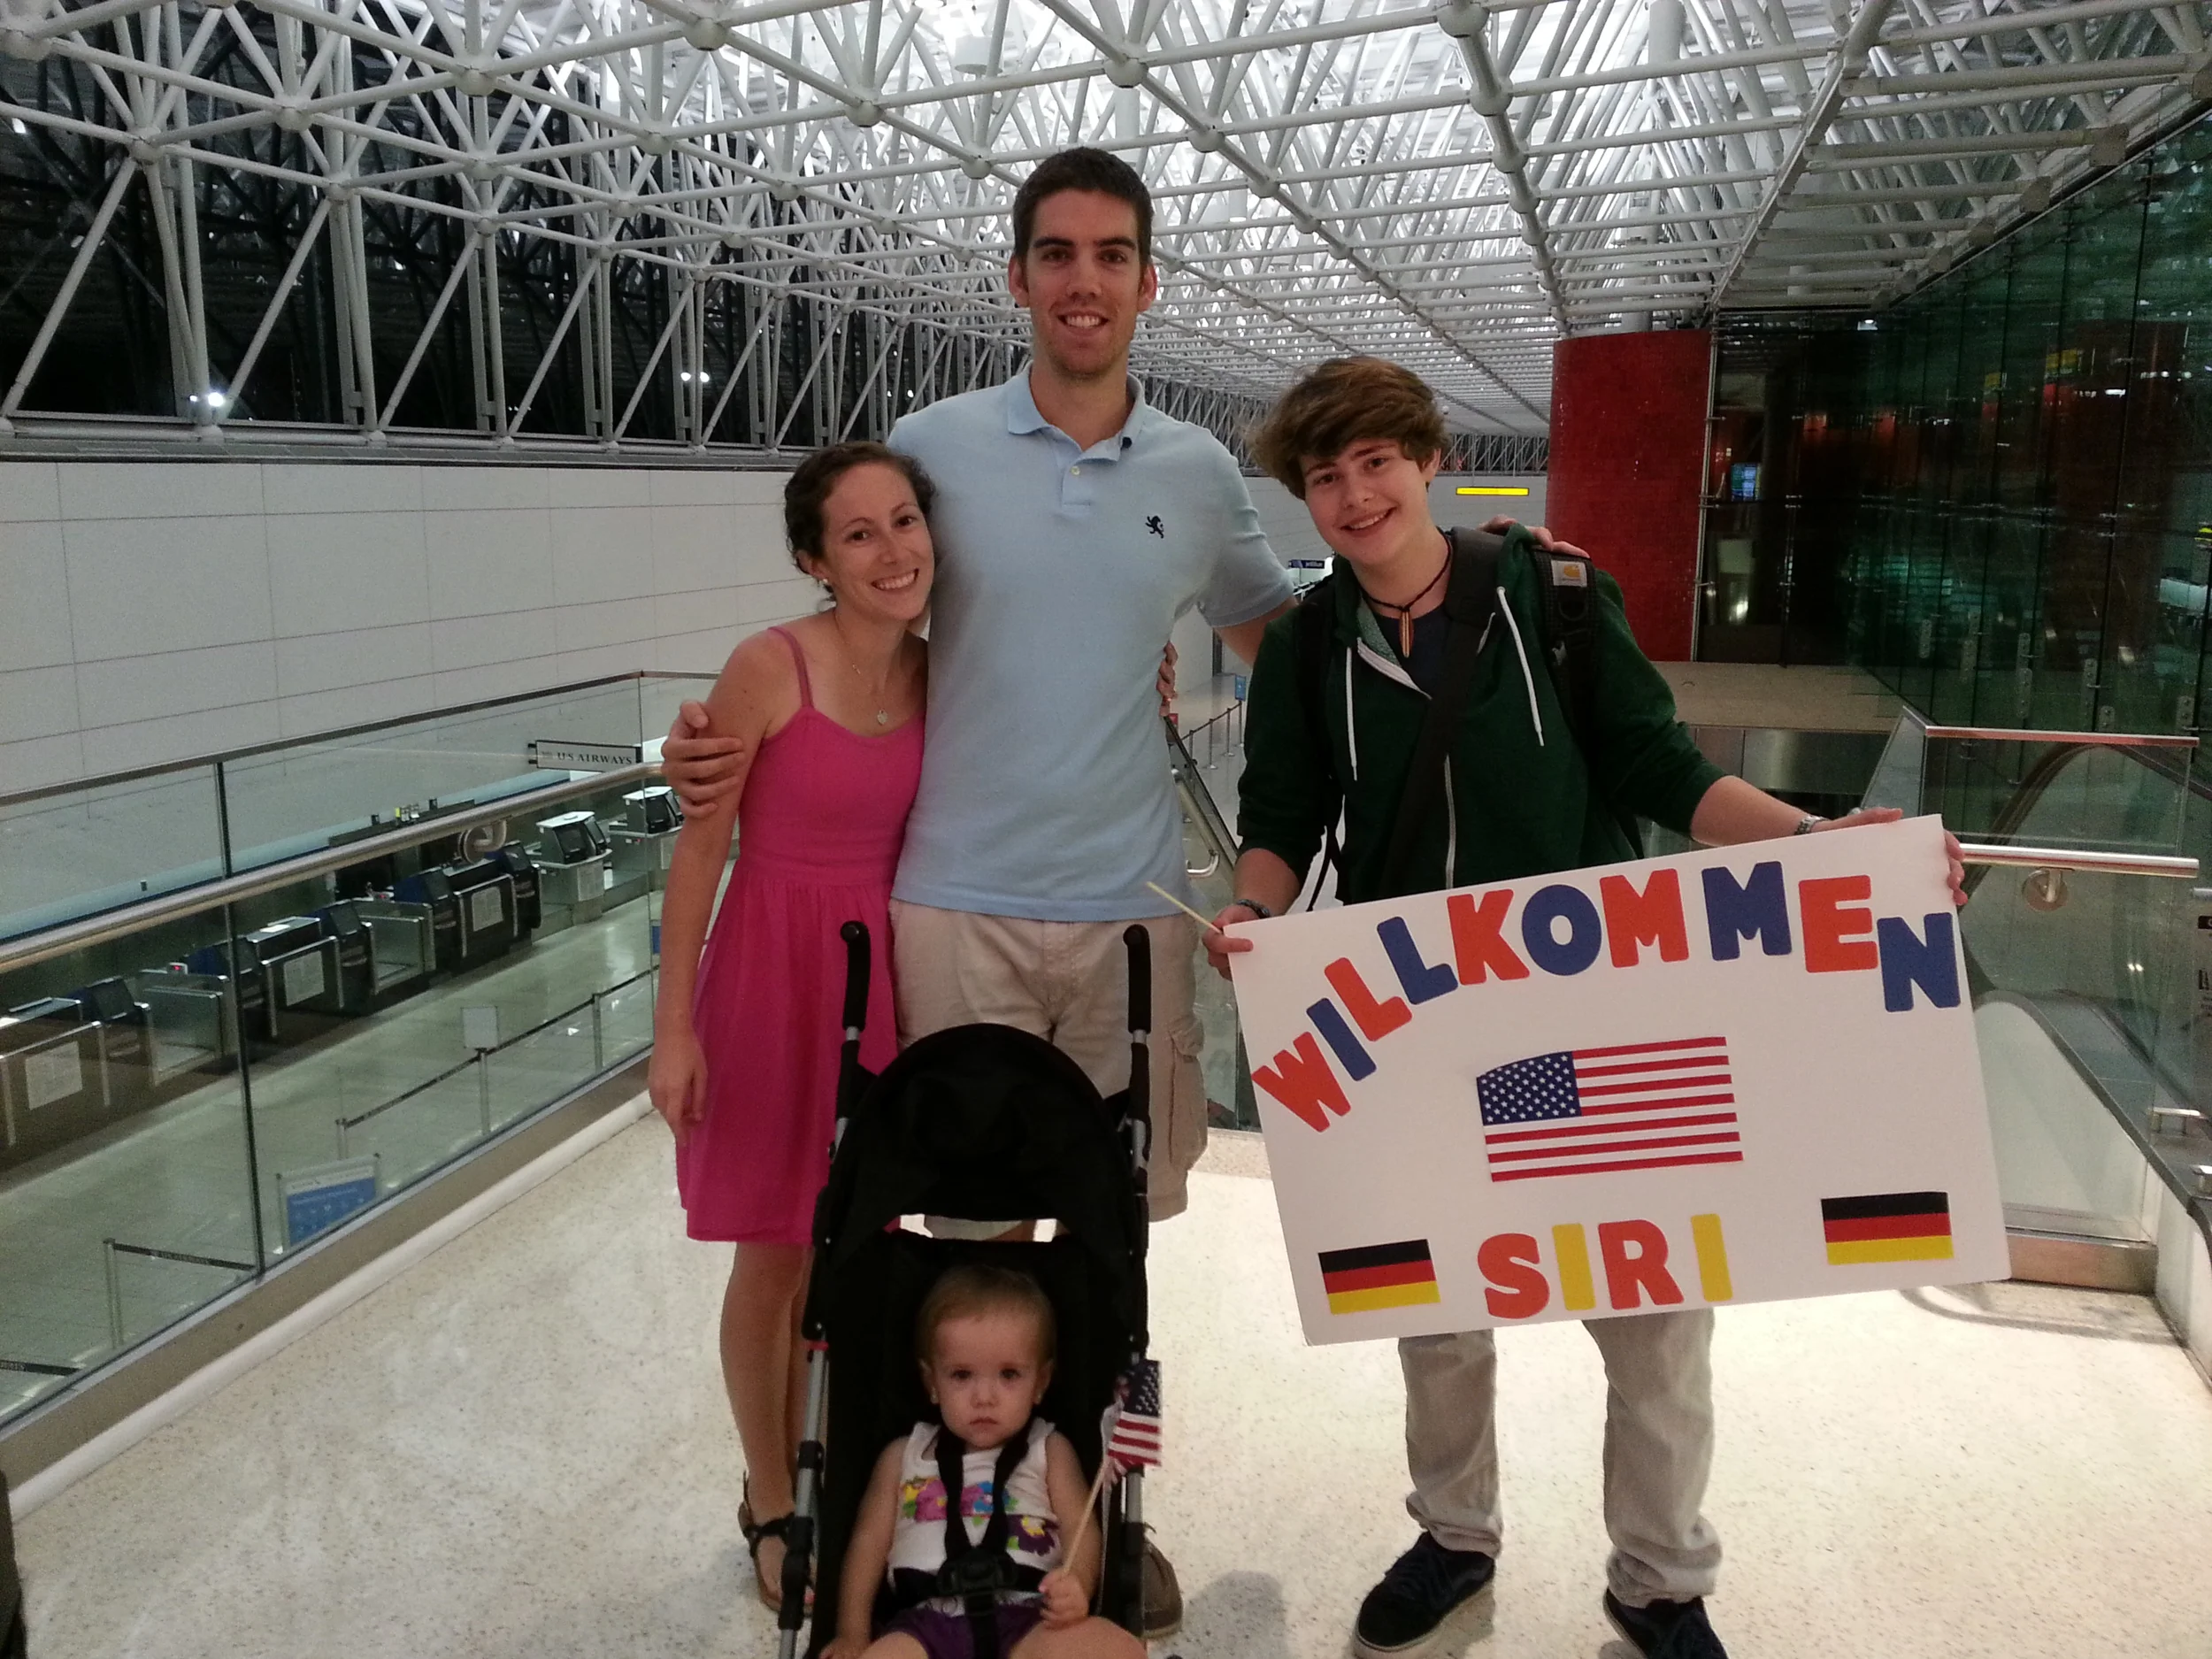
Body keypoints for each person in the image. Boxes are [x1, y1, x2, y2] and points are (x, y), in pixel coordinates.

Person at [1204, 357, 1969, 1659]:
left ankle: (1660, 1577)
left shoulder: (1548, 595)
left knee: (1654, 1306)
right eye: (1324, 477)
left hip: (1589, 1008)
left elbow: (1656, 764)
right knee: (1439, 1310)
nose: (1353, 495)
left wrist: (1816, 842)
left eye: (1376, 462)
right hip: (1418, 1021)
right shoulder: (1309, 645)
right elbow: (1280, 812)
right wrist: (1253, 909)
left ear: (1429, 459)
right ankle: (1455, 1534)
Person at [661, 146, 1302, 1639]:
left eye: (1113, 254)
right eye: (1057, 253)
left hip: (1132, 911)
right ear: (1017, 277)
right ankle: (917, 1511)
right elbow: (864, 612)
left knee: (1107, 1236)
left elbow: (1289, 645)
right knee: (947, 1237)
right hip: (950, 907)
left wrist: (1463, 577)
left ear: (1149, 281)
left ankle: (1082, 1524)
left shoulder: (1199, 474)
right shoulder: (933, 447)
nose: (1085, 281)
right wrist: (721, 737)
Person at [648, 441, 934, 1610]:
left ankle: (842, 1462)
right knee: (773, 1251)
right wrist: (673, 1029)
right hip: (772, 976)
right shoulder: (768, 666)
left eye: (904, 520)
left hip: (886, 980)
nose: (891, 551)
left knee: (858, 1246)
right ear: (815, 560)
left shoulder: (941, 667)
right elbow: (698, 849)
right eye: (858, 533)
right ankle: (769, 1496)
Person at [823, 1265, 1146, 1659]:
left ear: (1041, 1382)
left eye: (1009, 1375)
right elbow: (867, 1546)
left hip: (1029, 1618)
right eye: (962, 1375)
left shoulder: (1049, 1448)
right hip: (925, 1625)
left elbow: (1082, 1528)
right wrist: (852, 1632)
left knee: (1118, 1647)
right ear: (932, 1383)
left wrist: (1077, 1581)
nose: (984, 1397)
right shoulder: (903, 1455)